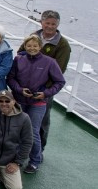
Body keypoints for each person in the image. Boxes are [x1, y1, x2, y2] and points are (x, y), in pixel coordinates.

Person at [6, 34, 65, 174]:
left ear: (40, 47)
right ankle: (17, 156)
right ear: (25, 46)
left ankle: (35, 161)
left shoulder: (49, 62)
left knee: (33, 132)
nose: (32, 48)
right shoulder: (18, 59)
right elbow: (11, 78)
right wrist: (19, 90)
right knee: (17, 129)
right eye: (29, 46)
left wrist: (46, 93)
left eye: (35, 46)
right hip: (20, 100)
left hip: (38, 103)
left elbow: (60, 81)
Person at [27, 10, 71, 150]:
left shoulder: (63, 45)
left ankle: (39, 150)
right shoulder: (33, 37)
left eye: (53, 24)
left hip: (45, 90)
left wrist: (45, 91)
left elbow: (59, 70)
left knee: (42, 121)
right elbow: (22, 55)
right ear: (41, 22)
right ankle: (23, 147)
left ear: (57, 24)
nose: (50, 26)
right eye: (47, 23)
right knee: (24, 117)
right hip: (27, 87)